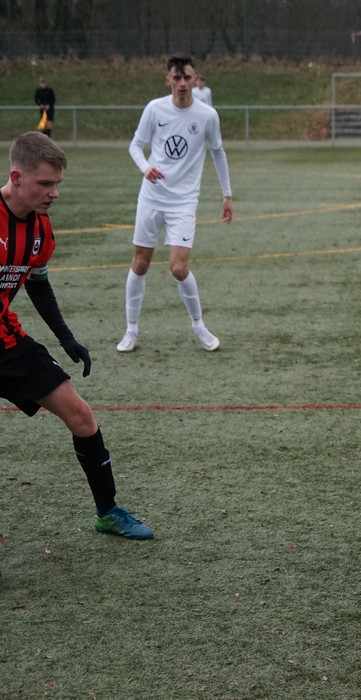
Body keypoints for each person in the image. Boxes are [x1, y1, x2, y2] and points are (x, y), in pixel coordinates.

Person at [0, 132, 154, 552]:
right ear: (17, 177)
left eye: (58, 184)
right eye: (45, 184)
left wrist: (66, 338)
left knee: (82, 416)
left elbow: (37, 283)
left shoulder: (39, 228)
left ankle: (108, 512)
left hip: (7, 343)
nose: (54, 193)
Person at [117, 52, 233, 353]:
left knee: (179, 268)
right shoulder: (154, 109)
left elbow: (218, 152)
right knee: (140, 263)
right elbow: (135, 145)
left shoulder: (207, 115)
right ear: (168, 80)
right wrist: (146, 168)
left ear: (195, 80)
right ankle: (131, 331)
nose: (182, 83)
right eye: (177, 78)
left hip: (183, 202)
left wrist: (227, 195)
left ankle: (199, 326)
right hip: (152, 197)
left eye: (187, 78)